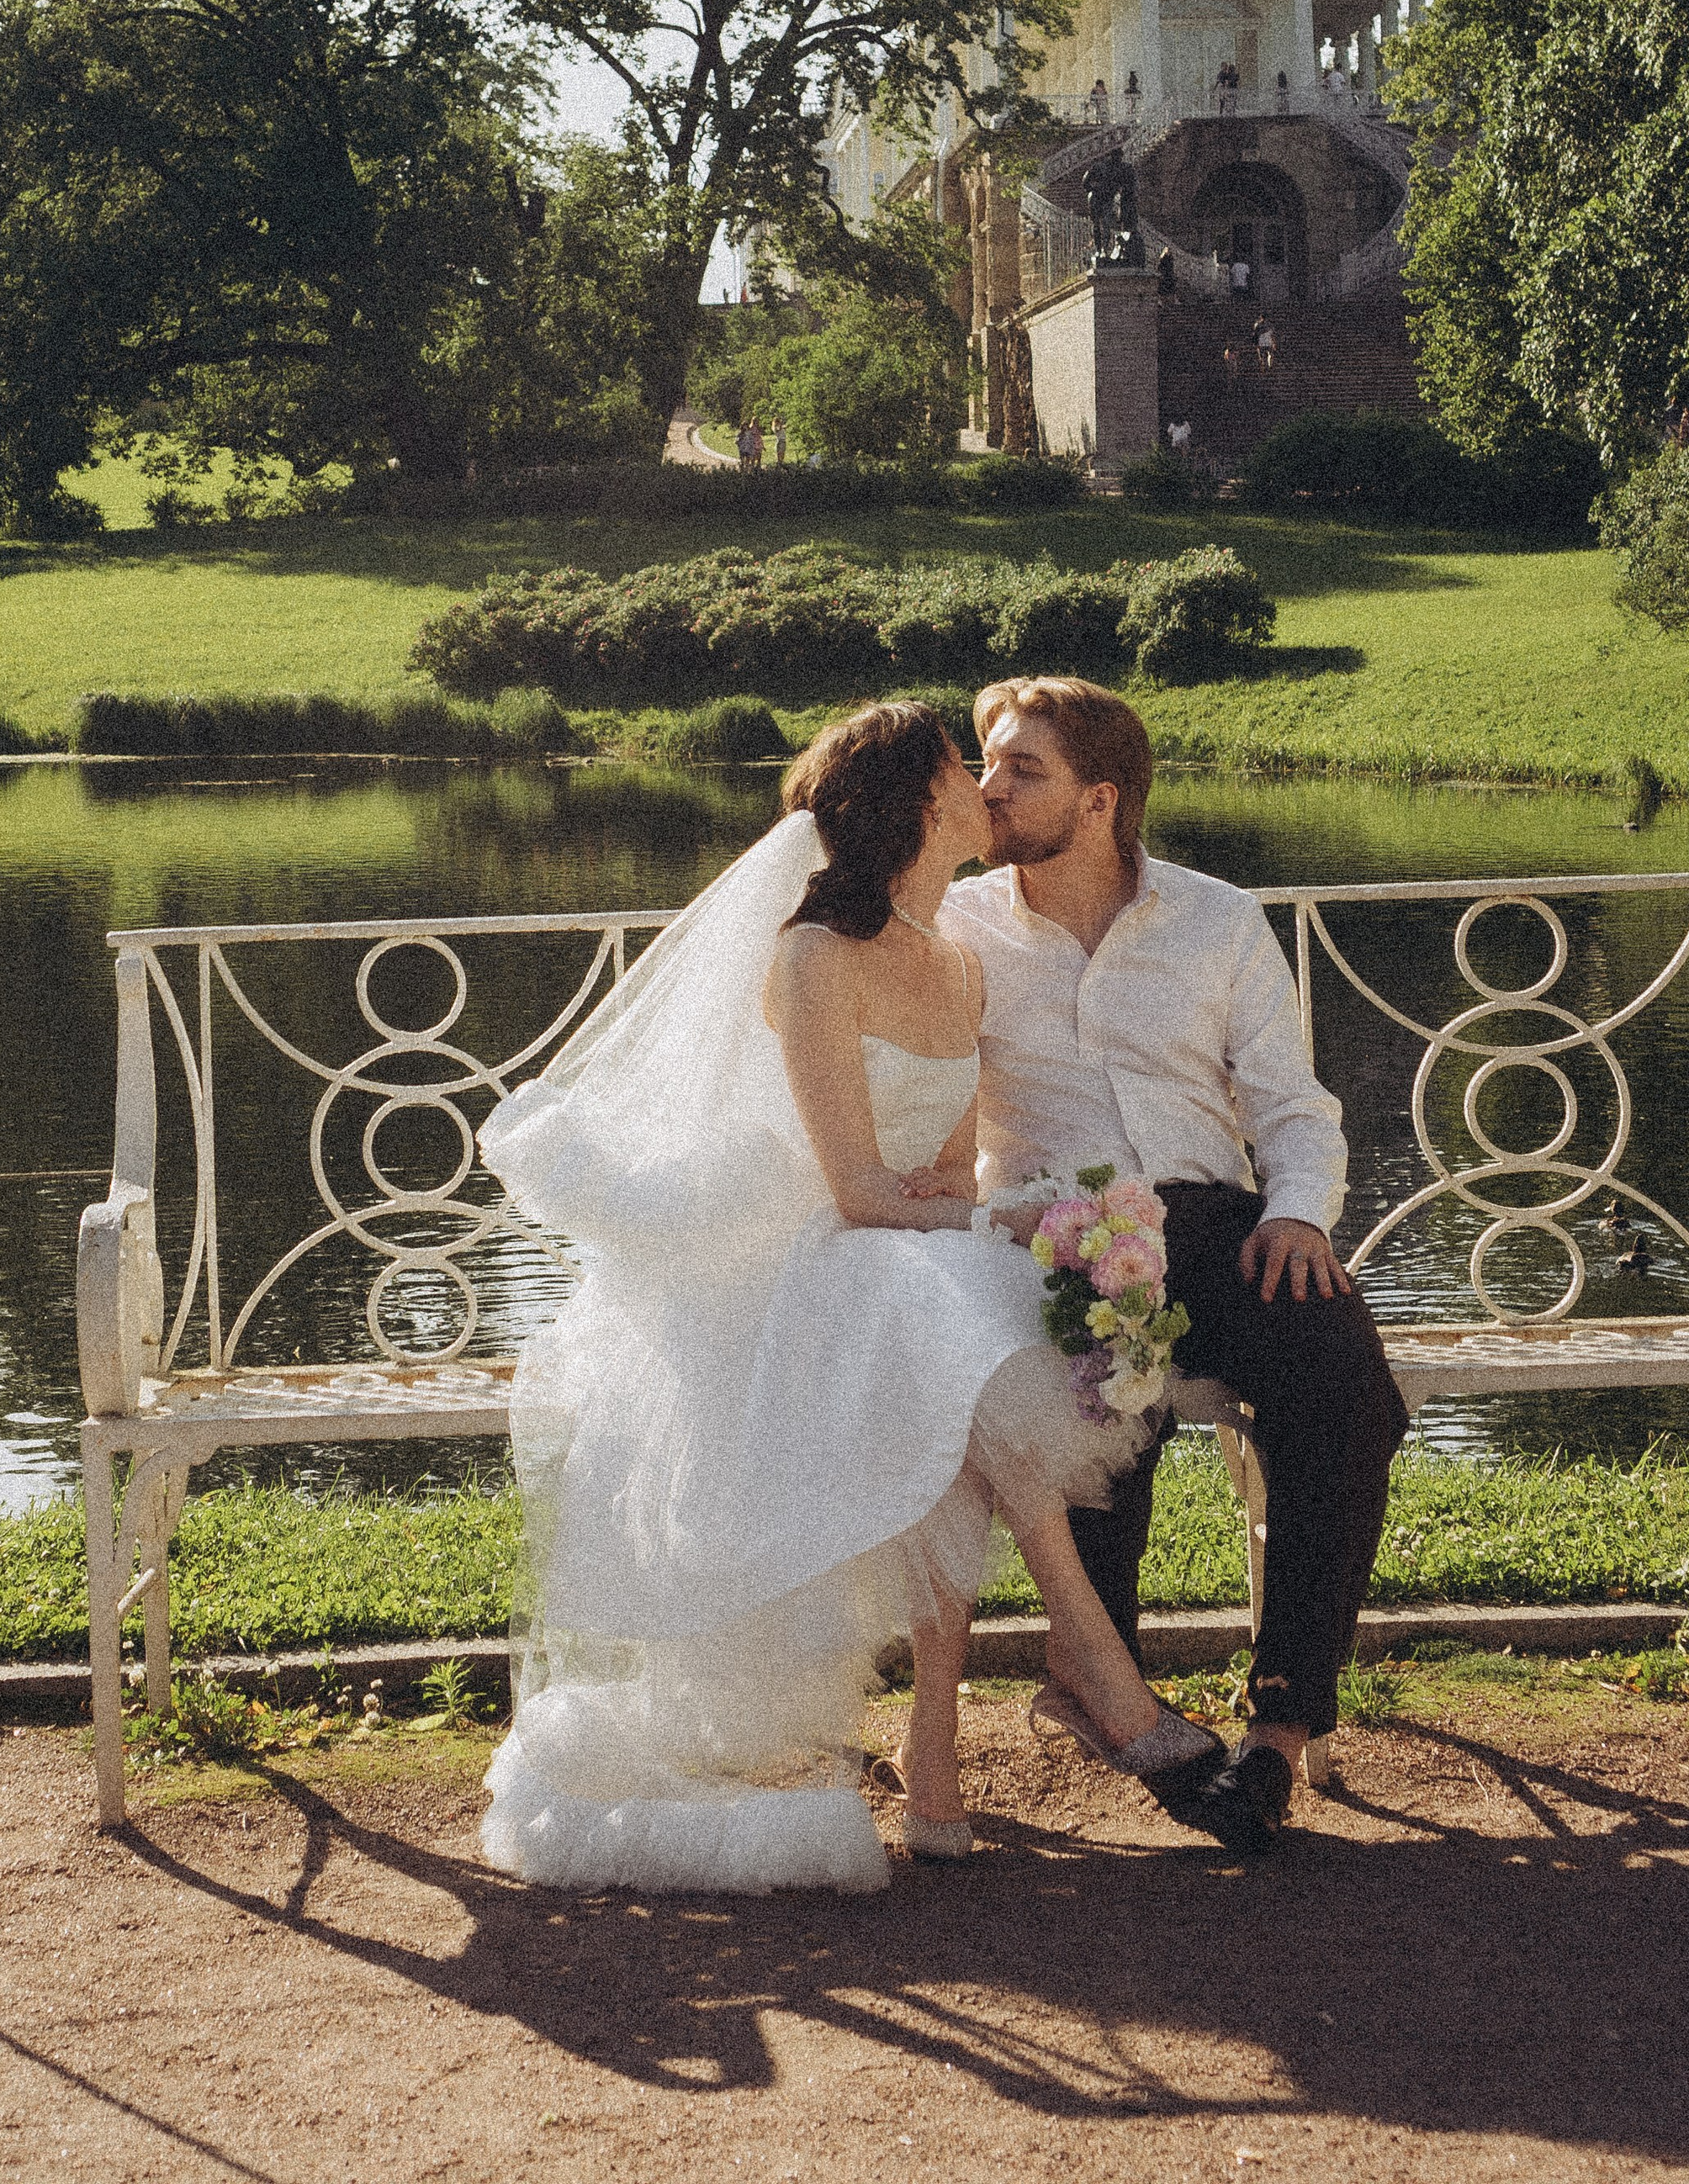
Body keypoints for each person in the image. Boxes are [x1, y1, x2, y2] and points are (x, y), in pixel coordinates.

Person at [477, 702, 1232, 1893]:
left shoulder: (961, 962)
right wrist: (989, 1219)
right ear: (921, 807)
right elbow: (857, 1191)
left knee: (958, 1336)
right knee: (954, 1331)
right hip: (797, 1265)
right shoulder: (813, 957)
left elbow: (949, 1167)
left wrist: (981, 1209)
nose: (988, 789)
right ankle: (1096, 1673)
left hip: (905, 1258)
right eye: (964, 771)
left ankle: (945, 1752)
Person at [939, 678, 1409, 1849]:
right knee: (1104, 1395)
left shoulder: (1217, 919)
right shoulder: (957, 930)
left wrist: (1298, 1217)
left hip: (1217, 1227)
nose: (989, 789)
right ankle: (1110, 1690)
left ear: (1101, 799)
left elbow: (1292, 1106)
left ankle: (1281, 1725)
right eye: (989, 762)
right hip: (1058, 1239)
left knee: (1347, 1391)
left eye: (1022, 769)